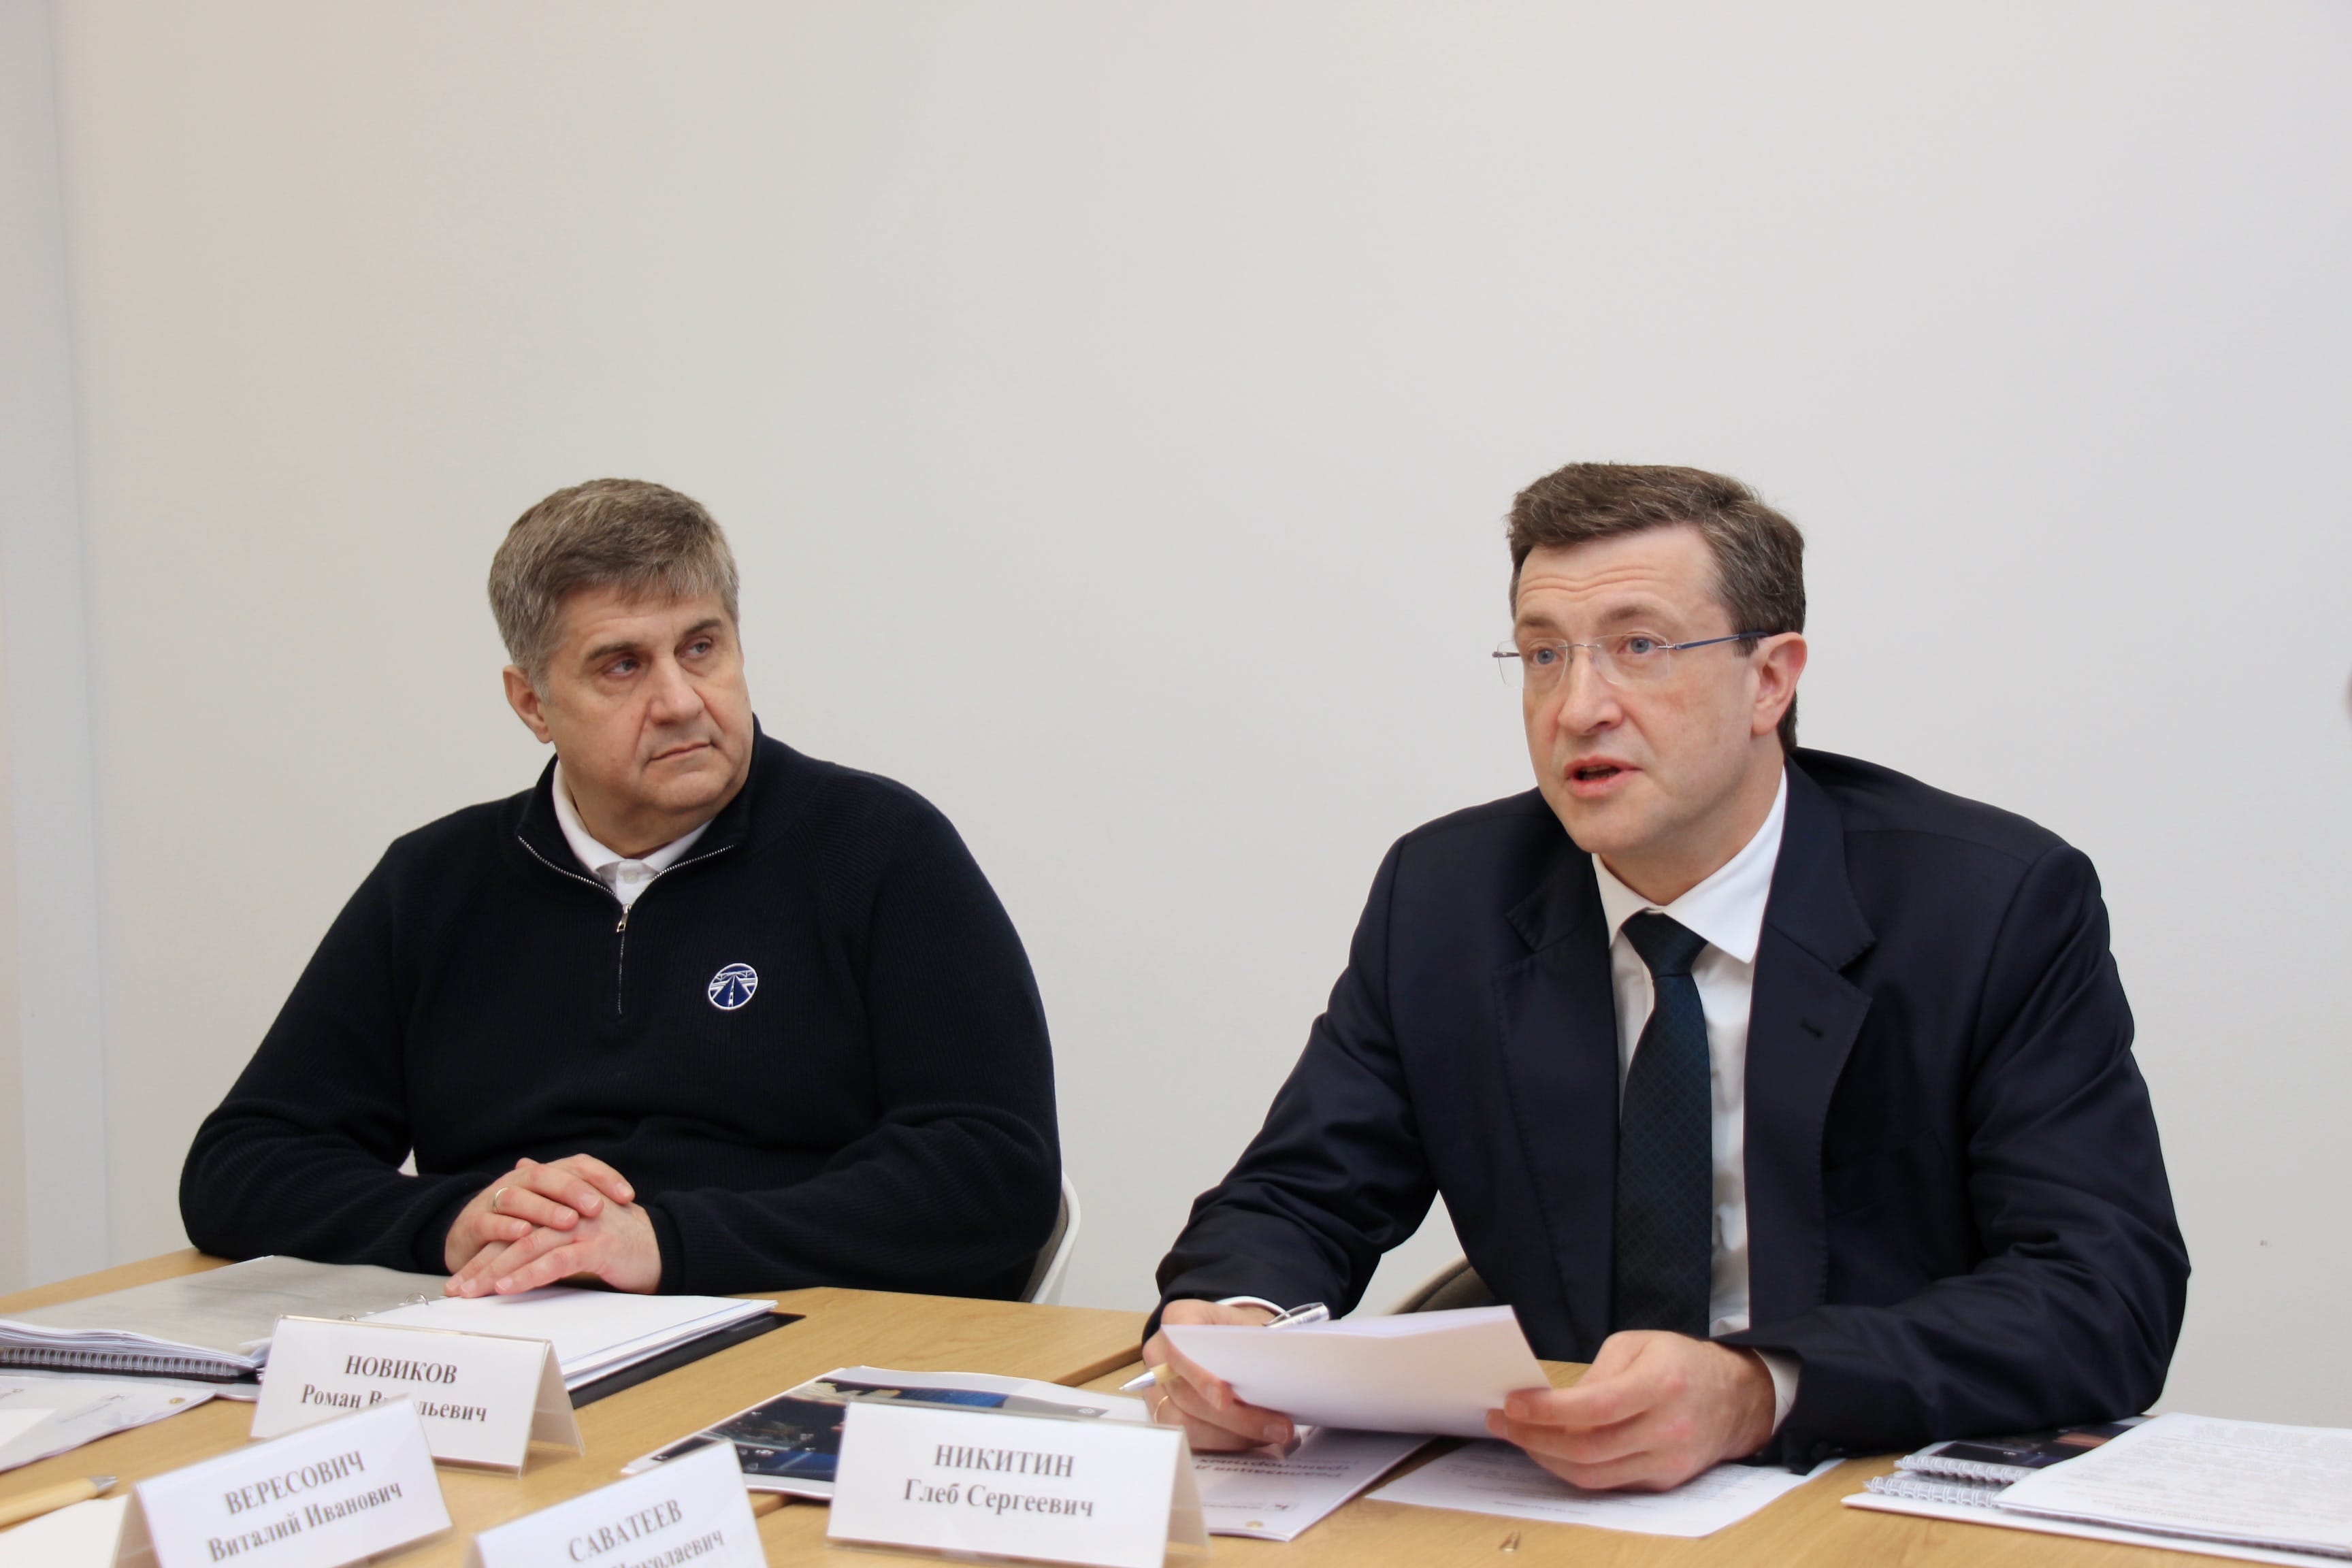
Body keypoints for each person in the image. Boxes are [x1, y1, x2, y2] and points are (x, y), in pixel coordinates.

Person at [1143, 463, 2187, 1488]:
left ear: (1769, 680)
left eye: (1638, 647)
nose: (1577, 707)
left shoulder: (1987, 906)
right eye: (1543, 655)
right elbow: (1298, 1196)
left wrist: (1758, 1389)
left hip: (1862, 1481)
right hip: (1554, 1495)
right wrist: (1237, 1327)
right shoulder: (1448, 897)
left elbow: (2104, 1295)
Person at [181, 479, 1060, 1300]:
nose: (680, 700)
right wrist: (450, 1221)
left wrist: (670, 1244)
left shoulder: (881, 850)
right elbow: (241, 1164)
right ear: (532, 704)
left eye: (701, 648)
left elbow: (995, 1172)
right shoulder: (434, 883)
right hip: (512, 1340)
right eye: (622, 666)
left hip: (799, 1333)